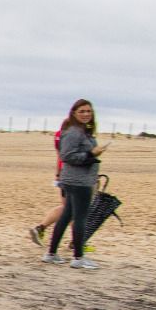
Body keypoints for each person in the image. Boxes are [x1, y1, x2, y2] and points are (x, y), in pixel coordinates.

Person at [45, 99, 106, 269]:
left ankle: (51, 254)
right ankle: (78, 258)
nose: (86, 114)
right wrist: (91, 154)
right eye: (82, 111)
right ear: (74, 113)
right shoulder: (74, 132)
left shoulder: (81, 131)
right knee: (80, 218)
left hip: (77, 180)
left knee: (66, 217)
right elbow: (66, 155)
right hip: (78, 182)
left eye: (88, 111)